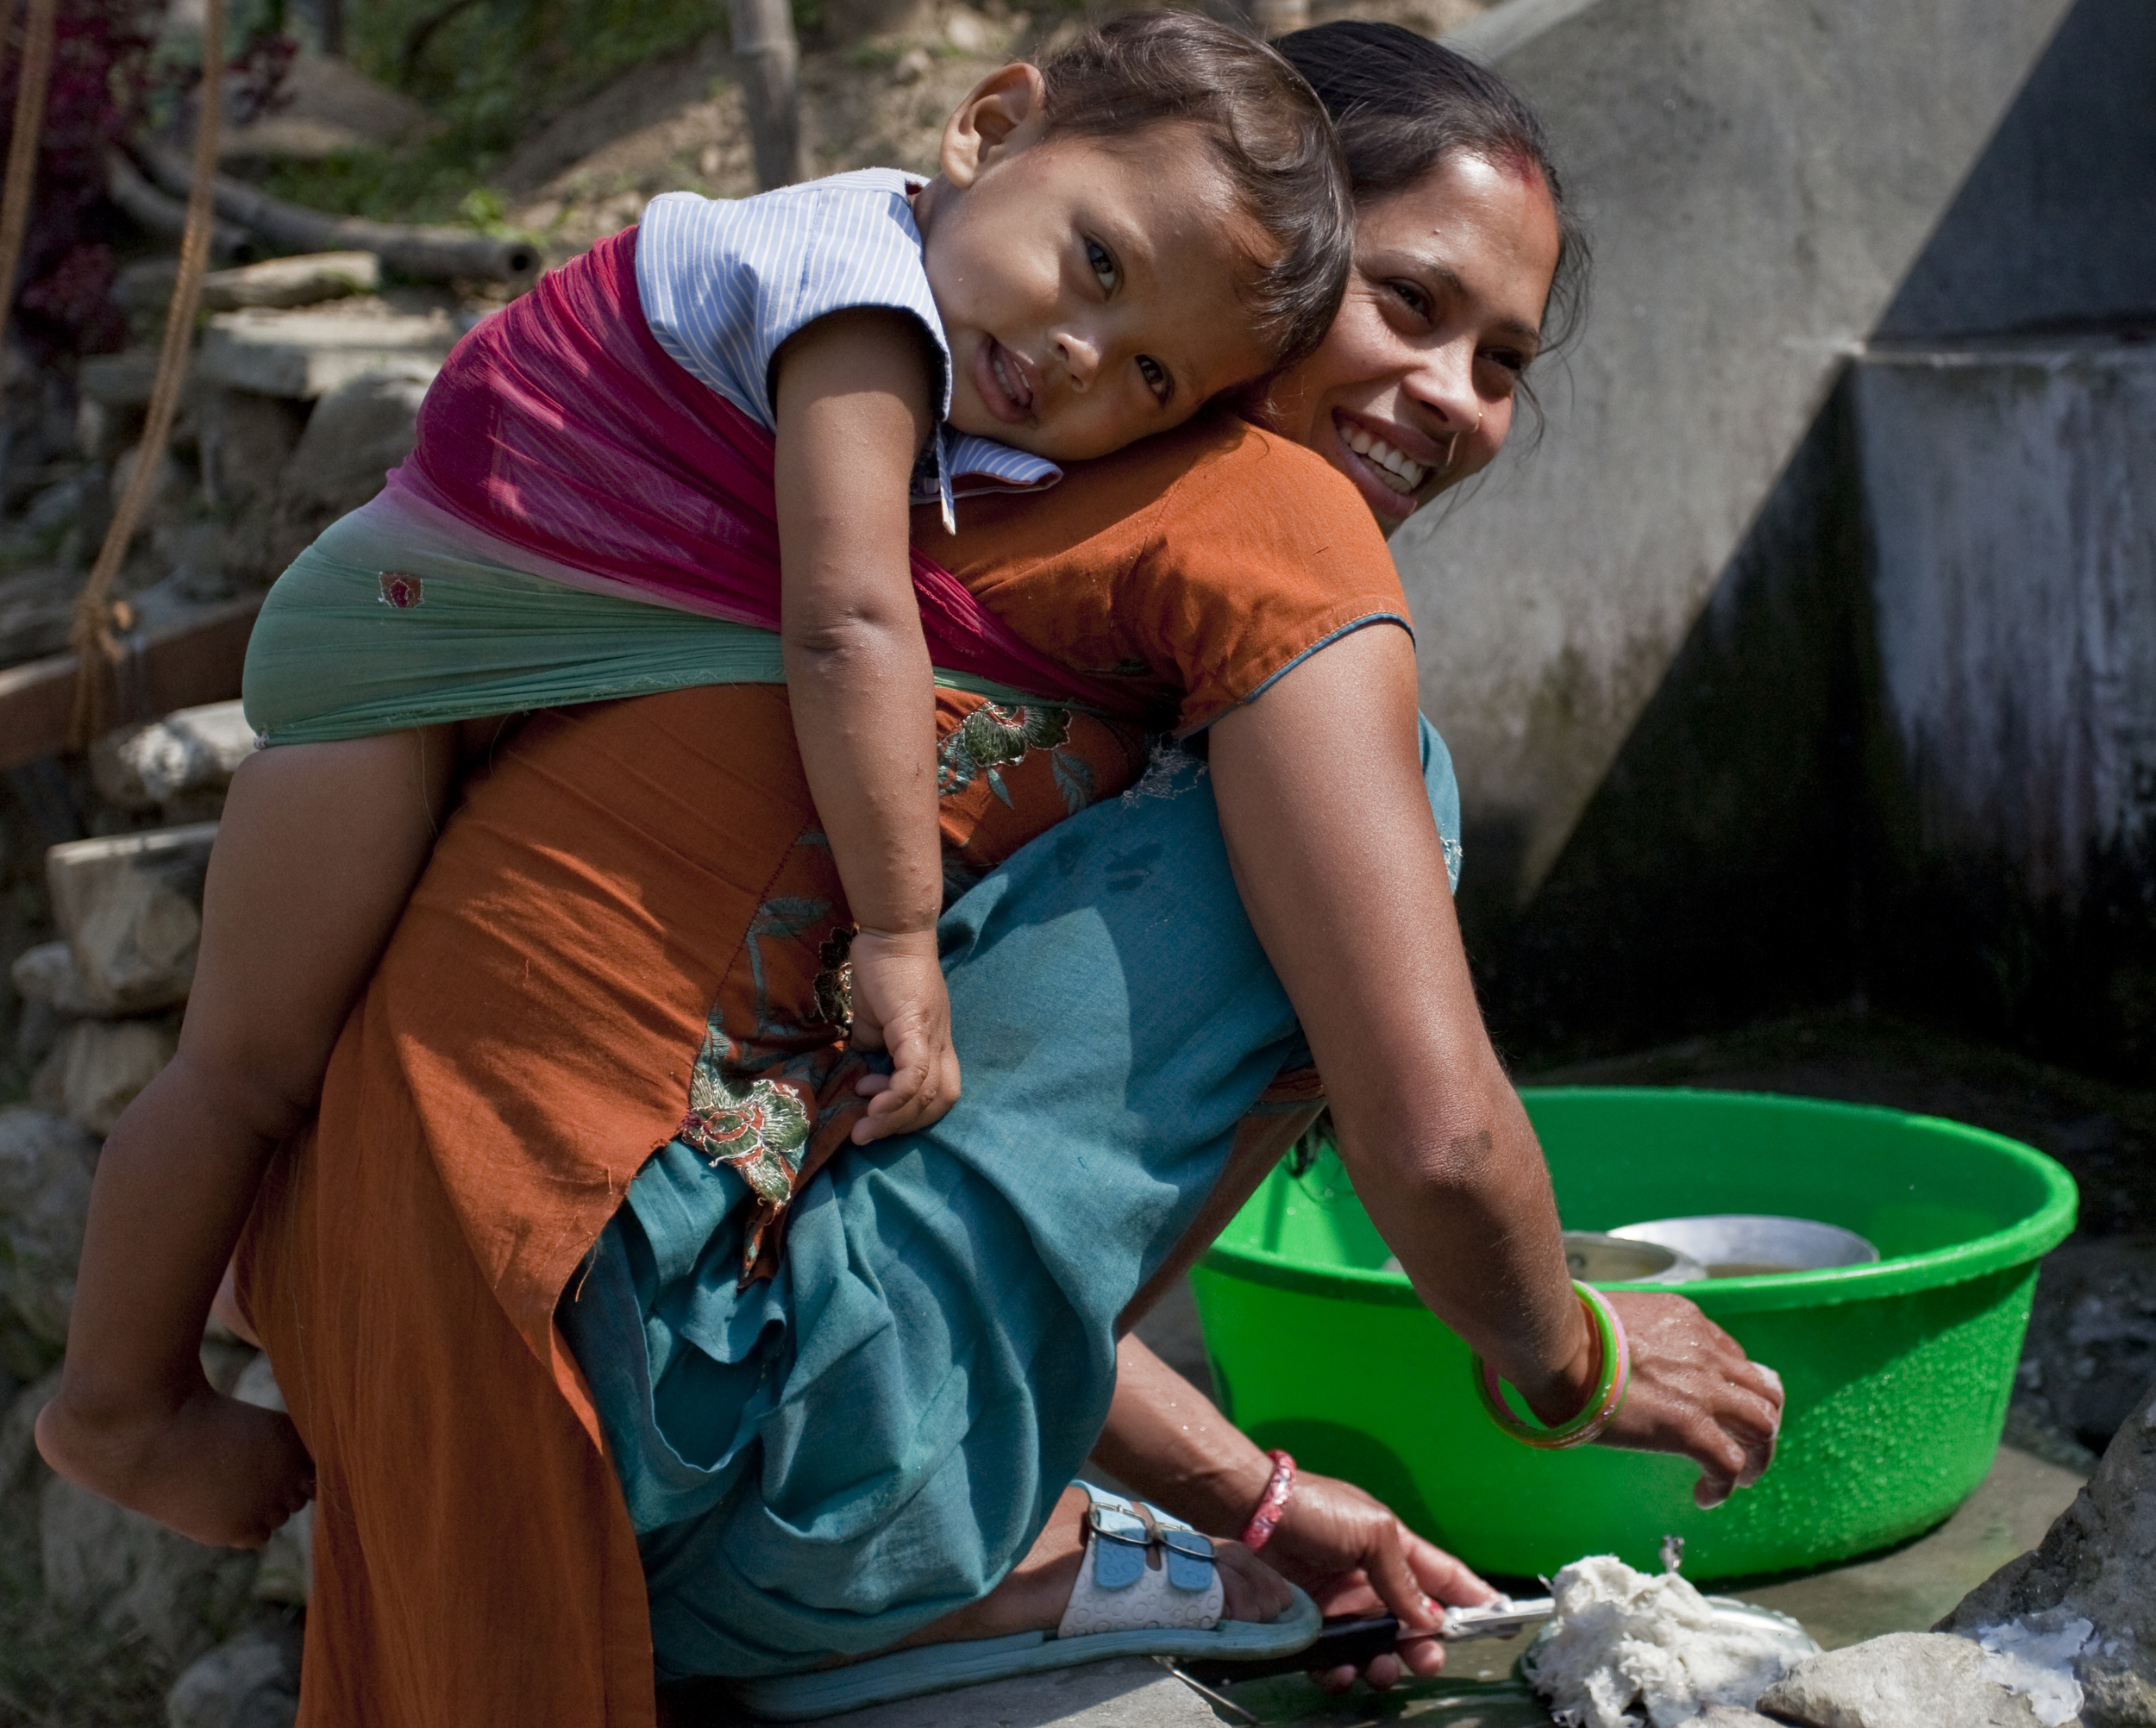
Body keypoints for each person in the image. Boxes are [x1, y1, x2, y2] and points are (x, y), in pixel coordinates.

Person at [136, 22, 1777, 1723]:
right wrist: (1569, 1360)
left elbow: (900, 1157)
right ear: (1265, 274)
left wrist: (1254, 1499)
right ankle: (890, 1551)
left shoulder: (897, 452)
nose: (1447, 394)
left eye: (1499, 362)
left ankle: (911, 1514)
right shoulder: (1263, 519)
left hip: (416, 1368)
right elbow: (1429, 1134)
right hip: (651, 1437)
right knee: (1380, 804)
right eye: (1407, 306)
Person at [38, 12, 1354, 1553]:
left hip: (506, 655)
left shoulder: (935, 312)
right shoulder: (861, 304)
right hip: (397, 671)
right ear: (989, 130)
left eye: (1149, 375)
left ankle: (267, 1309)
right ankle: (117, 1403)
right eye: (1100, 264)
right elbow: (848, 620)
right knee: (245, 1065)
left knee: (311, 1068)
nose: (1078, 354)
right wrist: (900, 930)